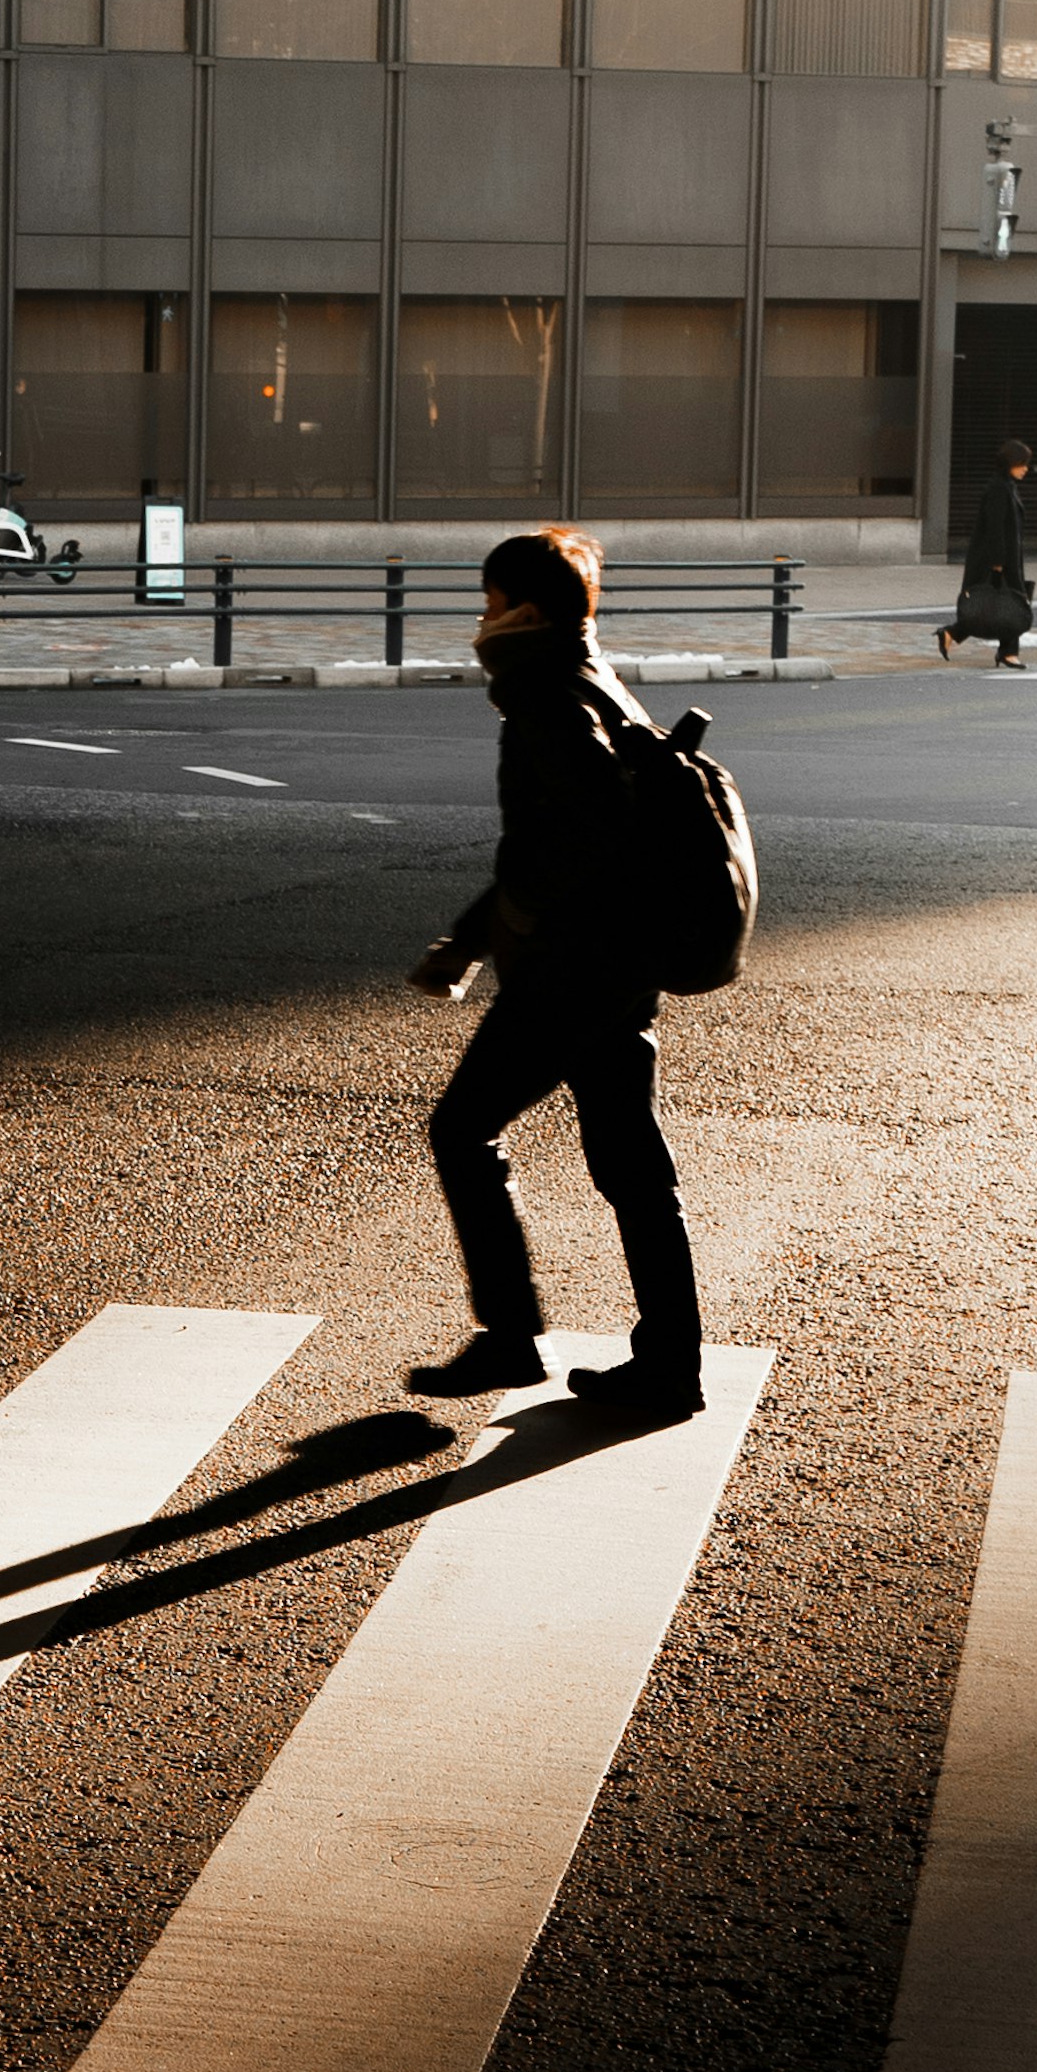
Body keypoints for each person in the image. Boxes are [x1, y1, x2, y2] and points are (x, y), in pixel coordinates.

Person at [403, 525, 706, 1426]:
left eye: (490, 600)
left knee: (462, 1130)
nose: (481, 615)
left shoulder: (545, 694)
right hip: (616, 964)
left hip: (572, 971)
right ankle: (668, 1363)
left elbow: (575, 839)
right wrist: (471, 937)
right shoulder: (591, 676)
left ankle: (512, 1335)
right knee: (632, 1169)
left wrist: (503, 931)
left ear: (523, 610)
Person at [942, 446, 1036, 666]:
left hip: (1007, 558)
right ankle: (1007, 652)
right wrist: (997, 563)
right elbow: (994, 528)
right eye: (1021, 464)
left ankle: (954, 635)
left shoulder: (1007, 486)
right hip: (997, 559)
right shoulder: (998, 489)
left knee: (1002, 605)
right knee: (1008, 604)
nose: (1026, 469)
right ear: (1009, 464)